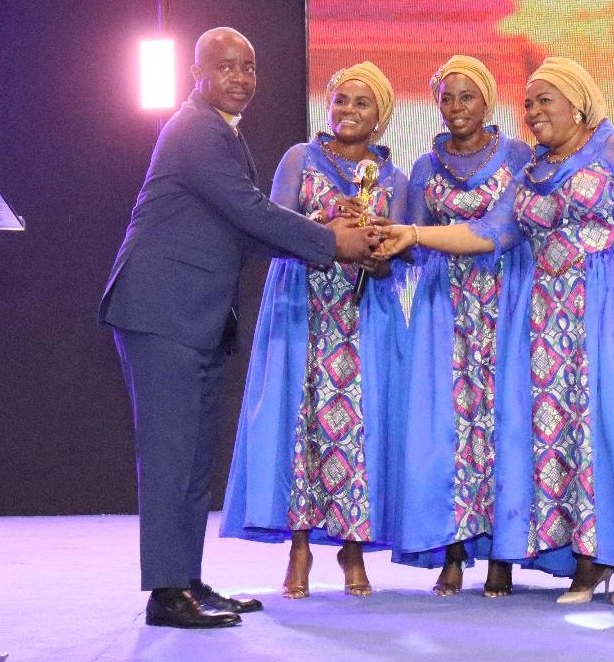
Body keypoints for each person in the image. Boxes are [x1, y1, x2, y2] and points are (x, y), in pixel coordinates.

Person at [376, 56, 614, 605]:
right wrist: (412, 231)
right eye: (528, 103)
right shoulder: (530, 172)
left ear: (578, 102)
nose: (532, 112)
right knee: (568, 435)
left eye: (544, 100)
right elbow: (488, 233)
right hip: (550, 319)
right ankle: (589, 557)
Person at [98, 28, 380, 628]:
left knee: (195, 458)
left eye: (249, 66)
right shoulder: (196, 129)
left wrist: (323, 232)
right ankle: (165, 594)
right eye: (226, 67)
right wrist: (334, 241)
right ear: (198, 74)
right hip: (160, 312)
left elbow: (247, 227)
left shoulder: (222, 133)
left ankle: (187, 580)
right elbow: (249, 210)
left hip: (192, 316)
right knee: (170, 456)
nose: (241, 78)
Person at [219, 62, 408, 600]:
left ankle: (352, 549)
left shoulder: (393, 177)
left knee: (360, 426)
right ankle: (298, 548)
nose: (348, 112)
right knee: (299, 423)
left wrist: (377, 254)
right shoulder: (300, 159)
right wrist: (326, 233)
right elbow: (271, 227)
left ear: (382, 117)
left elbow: (405, 254)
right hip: (302, 304)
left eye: (362, 104)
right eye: (341, 101)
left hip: (366, 314)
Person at [390, 55, 532, 598]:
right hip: (442, 302)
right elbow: (414, 240)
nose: (454, 108)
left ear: (489, 101)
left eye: (466, 97)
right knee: (448, 426)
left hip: (506, 298)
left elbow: (522, 227)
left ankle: (502, 555)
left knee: (505, 421)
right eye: (446, 98)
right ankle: (452, 552)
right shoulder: (425, 167)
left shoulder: (518, 155)